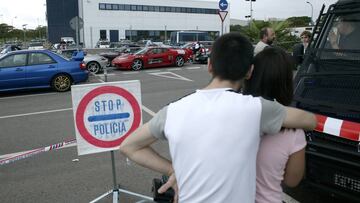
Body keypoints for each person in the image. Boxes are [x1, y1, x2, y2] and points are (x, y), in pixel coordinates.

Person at [119, 33, 316, 203]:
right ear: (249, 72)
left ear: (210, 65)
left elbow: (129, 146)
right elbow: (309, 120)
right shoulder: (256, 109)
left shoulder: (172, 111)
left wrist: (172, 170)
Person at [243, 48, 306, 203]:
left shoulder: (233, 114)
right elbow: (292, 180)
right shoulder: (293, 130)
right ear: (286, 81)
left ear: (251, 75)